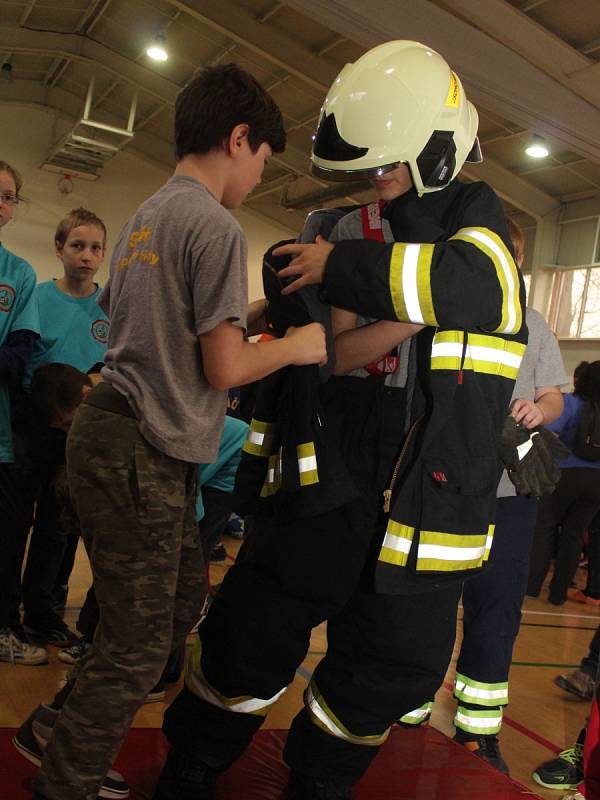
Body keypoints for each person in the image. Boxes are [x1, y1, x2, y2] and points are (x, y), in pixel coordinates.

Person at [155, 41, 528, 800]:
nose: (376, 182)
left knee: (395, 658)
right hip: (336, 462)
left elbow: (483, 286)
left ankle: (320, 781)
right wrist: (389, 309)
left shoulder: (478, 226)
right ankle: (195, 762)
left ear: (435, 149)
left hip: (435, 484)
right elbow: (326, 354)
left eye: (390, 165)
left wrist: (346, 273)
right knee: (253, 627)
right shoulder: (335, 223)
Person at [22, 63, 326, 800]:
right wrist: (298, 345)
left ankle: (55, 730)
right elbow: (222, 368)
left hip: (119, 431)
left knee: (176, 606)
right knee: (139, 641)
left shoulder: (148, 215)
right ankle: (65, 778)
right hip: (138, 443)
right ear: (239, 137)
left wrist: (248, 320)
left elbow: (164, 335)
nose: (257, 178)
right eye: (261, 161)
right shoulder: (215, 224)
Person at [429, 217, 565, 773]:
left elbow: (553, 395)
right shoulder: (440, 316)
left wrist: (541, 409)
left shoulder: (535, 324)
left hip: (509, 498)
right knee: (430, 604)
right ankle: (405, 711)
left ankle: (477, 730)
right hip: (444, 491)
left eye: (509, 252)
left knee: (495, 612)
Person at [18, 208, 108, 645]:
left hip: (82, 434)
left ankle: (45, 609)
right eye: (77, 246)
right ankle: (13, 608)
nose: (87, 256)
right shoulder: (35, 298)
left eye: (95, 248)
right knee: (21, 521)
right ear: (59, 249)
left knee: (61, 525)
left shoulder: (109, 305)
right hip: (35, 427)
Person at [0, 159, 44, 667]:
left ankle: (3, 626)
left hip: (2, 434)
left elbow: (20, 353)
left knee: (9, 536)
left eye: (9, 196)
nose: (2, 202)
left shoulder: (19, 274)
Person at [527, 361, 600, 605]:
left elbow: (548, 424)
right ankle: (558, 595)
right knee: (575, 535)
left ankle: (532, 587)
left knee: (544, 528)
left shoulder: (572, 403)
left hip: (566, 473)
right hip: (597, 482)